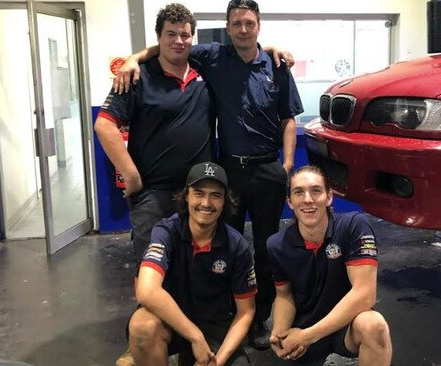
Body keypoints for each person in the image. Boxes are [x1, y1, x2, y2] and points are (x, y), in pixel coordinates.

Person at [116, 0, 304, 350]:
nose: (243, 29)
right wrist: (133, 58)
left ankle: (258, 316)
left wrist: (288, 166)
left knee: (265, 247)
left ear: (258, 26)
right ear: (228, 27)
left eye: (249, 23)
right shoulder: (214, 57)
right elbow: (171, 44)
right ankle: (227, 311)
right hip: (229, 169)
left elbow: (288, 119)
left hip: (268, 170)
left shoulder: (276, 66)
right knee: (225, 244)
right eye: (236, 23)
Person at [94, 3, 214, 264]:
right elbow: (104, 125)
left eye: (184, 35)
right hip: (153, 196)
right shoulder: (137, 77)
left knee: (193, 268)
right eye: (171, 34)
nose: (179, 41)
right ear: (159, 37)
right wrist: (131, 176)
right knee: (152, 271)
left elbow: (245, 50)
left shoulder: (204, 71)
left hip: (197, 193)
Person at [126, 161, 257, 366]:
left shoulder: (236, 245)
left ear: (225, 202)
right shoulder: (166, 232)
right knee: (142, 327)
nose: (206, 202)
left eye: (215, 195)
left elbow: (246, 312)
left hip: (214, 325)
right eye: (199, 193)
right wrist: (195, 336)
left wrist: (218, 361)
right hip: (171, 321)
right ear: (186, 195)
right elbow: (146, 291)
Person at [266, 165, 393, 365]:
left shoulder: (353, 226)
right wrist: (280, 335)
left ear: (329, 197)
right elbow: (284, 294)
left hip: (344, 325)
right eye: (299, 192)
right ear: (290, 202)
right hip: (303, 326)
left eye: (316, 190)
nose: (308, 199)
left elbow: (364, 295)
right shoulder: (277, 245)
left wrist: (308, 336)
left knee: (374, 325)